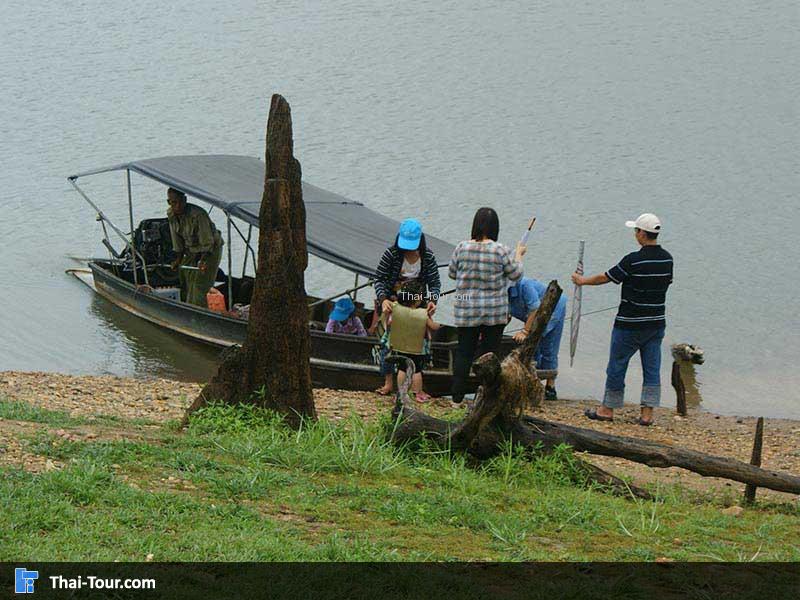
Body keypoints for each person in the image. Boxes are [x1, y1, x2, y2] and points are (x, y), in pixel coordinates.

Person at [571, 213, 673, 426]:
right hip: (656, 323)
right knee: (652, 368)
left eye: (636, 231)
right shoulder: (667, 259)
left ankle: (607, 409)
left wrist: (582, 281)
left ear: (643, 234)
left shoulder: (633, 260)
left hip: (629, 324)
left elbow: (607, 277)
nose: (635, 234)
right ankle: (647, 414)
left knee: (617, 364)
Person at [448, 207, 526, 403]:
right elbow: (516, 275)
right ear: (495, 228)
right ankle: (484, 396)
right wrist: (519, 255)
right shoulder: (501, 250)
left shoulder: (461, 247)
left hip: (466, 310)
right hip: (494, 312)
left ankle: (456, 397)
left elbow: (452, 273)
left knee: (464, 352)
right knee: (490, 354)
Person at [373, 218, 442, 395]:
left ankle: (414, 383)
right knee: (388, 344)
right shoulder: (391, 254)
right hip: (393, 303)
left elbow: (434, 283)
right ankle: (388, 382)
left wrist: (433, 300)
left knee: (418, 344)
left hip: (418, 306)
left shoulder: (428, 257)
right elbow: (379, 278)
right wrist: (383, 299)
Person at [381, 280, 441, 402]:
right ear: (418, 298)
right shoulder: (423, 313)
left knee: (402, 368)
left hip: (400, 345)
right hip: (417, 348)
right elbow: (433, 327)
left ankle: (401, 393)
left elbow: (389, 322)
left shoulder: (397, 309)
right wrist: (438, 322)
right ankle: (418, 392)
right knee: (417, 369)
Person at [508, 277, 567, 400]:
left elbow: (535, 308)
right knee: (534, 349)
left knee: (548, 346)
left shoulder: (524, 285)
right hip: (532, 316)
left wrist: (524, 331)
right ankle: (534, 383)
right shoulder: (500, 291)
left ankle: (550, 388)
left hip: (554, 307)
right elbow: (505, 314)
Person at [166, 188, 224, 307]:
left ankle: (200, 311)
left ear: (185, 200)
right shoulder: (171, 214)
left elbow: (207, 243)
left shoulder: (198, 215)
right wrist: (178, 259)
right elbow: (177, 240)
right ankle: (185, 306)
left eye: (179, 202)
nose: (177, 206)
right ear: (169, 202)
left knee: (200, 284)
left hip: (210, 249)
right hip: (192, 249)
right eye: (173, 203)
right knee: (184, 275)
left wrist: (203, 261)